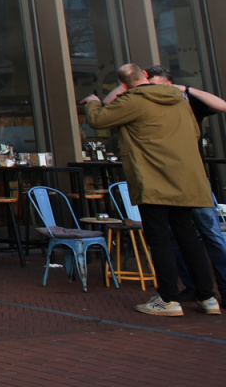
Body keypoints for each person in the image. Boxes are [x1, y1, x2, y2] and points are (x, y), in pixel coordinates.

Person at [83, 64, 220, 316]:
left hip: (154, 181)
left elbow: (97, 120)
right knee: (189, 238)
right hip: (187, 179)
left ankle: (168, 299)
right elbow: (194, 131)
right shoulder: (179, 99)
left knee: (159, 239)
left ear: (124, 85)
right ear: (145, 76)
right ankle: (208, 297)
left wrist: (92, 103)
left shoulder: (133, 101)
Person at [141, 64, 226, 300]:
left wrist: (186, 89)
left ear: (170, 85)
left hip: (193, 179)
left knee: (209, 233)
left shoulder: (185, 103)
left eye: (155, 85)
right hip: (166, 180)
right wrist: (129, 80)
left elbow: (221, 105)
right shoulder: (145, 104)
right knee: (175, 235)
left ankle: (221, 288)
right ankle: (194, 288)